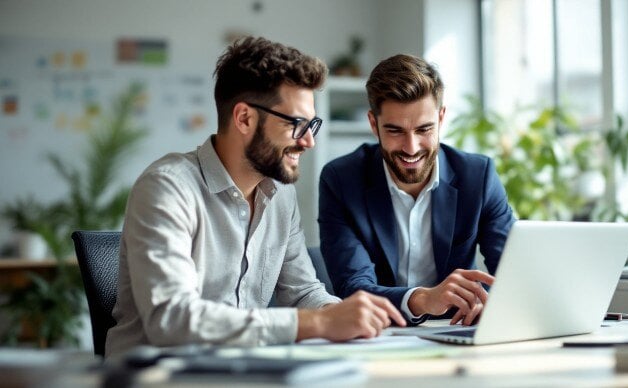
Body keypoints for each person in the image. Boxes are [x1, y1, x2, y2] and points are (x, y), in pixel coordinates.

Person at [106, 37, 405, 358]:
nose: (308, 142)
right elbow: (172, 320)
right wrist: (316, 322)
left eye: (312, 125)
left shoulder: (280, 196)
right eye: (297, 124)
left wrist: (351, 316)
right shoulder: (167, 188)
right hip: (159, 377)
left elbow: (302, 291)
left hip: (243, 372)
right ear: (244, 118)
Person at [318, 54, 515, 326]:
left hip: (458, 328)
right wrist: (422, 299)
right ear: (373, 124)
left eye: (424, 129)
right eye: (395, 131)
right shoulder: (341, 179)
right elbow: (353, 286)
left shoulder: (477, 176)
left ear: (441, 117)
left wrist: (490, 301)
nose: (411, 148)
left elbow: (513, 272)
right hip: (381, 334)